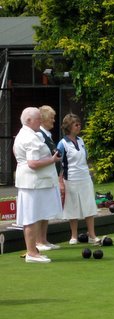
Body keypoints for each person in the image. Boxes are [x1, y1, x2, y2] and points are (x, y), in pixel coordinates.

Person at [13, 107, 63, 263]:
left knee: (34, 216)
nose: (40, 121)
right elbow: (33, 163)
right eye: (38, 119)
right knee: (30, 217)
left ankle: (34, 250)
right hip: (32, 183)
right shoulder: (29, 137)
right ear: (28, 120)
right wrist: (52, 160)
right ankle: (31, 253)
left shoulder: (27, 134)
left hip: (33, 182)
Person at [57, 113, 101, 244]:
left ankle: (92, 235)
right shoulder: (62, 143)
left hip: (85, 178)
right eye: (76, 124)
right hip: (70, 179)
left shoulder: (81, 141)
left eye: (79, 124)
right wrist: (60, 182)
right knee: (72, 207)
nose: (79, 126)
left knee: (89, 206)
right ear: (69, 127)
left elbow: (85, 159)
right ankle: (74, 236)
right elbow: (59, 164)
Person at [34, 105, 62, 251]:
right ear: (43, 119)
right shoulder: (39, 135)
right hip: (42, 178)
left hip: (50, 176)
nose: (53, 121)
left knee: (46, 210)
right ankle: (38, 241)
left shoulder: (47, 135)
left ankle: (44, 240)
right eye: (51, 118)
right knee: (41, 210)